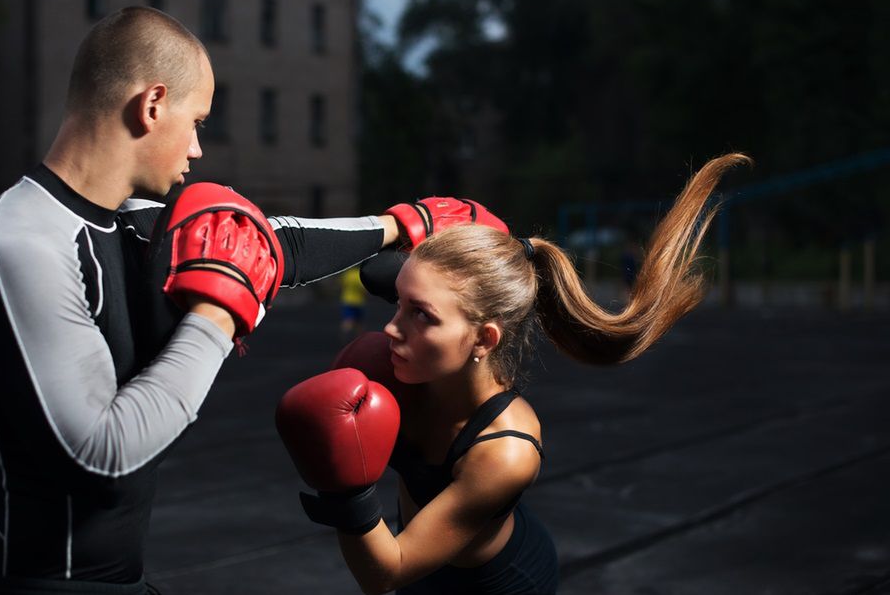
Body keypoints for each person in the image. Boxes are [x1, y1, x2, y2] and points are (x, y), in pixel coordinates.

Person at [0, 6, 416, 594]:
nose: (197, 149)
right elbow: (100, 456)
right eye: (198, 122)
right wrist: (216, 316)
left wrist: (408, 223)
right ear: (152, 105)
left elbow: (270, 242)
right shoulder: (21, 239)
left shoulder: (128, 225)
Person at [276, 153, 750, 594]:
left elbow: (387, 572)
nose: (391, 328)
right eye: (399, 304)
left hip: (497, 584)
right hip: (418, 562)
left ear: (484, 340)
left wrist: (347, 493)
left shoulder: (506, 451)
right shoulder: (410, 358)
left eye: (420, 314)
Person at [339, 265, 368, 343]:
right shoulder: (358, 275)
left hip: (347, 299)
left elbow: (342, 284)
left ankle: (345, 336)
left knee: (348, 319)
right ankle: (360, 339)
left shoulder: (347, 274)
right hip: (358, 301)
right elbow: (363, 288)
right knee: (359, 321)